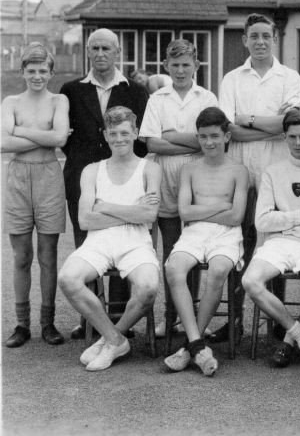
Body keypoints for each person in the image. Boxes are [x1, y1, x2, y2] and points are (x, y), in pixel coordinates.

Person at [216, 13, 300, 342]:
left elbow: (293, 123)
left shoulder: (289, 77)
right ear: (245, 40)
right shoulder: (231, 79)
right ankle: (236, 320)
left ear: (274, 38)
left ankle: (276, 324)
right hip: (241, 176)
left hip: (278, 179)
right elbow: (228, 130)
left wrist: (248, 120)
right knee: (241, 245)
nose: (260, 42)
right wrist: (272, 127)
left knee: (276, 247)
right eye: (254, 36)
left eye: (266, 36)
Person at [60, 29, 149, 339]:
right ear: (88, 51)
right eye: (94, 48)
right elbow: (66, 139)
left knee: (123, 242)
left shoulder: (136, 91)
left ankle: (120, 316)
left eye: (106, 48)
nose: (100, 53)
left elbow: (141, 139)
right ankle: (90, 319)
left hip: (123, 181)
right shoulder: (71, 90)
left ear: (117, 51)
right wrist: (86, 165)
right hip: (83, 179)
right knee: (88, 247)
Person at [57, 106, 162, 371]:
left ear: (135, 132)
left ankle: (109, 338)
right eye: (113, 133)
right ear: (105, 134)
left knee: (148, 287)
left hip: (136, 241)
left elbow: (149, 216)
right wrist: (132, 212)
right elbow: (85, 220)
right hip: (98, 240)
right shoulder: (92, 170)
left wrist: (105, 206)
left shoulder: (150, 168)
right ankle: (115, 339)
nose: (119, 139)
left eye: (125, 132)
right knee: (68, 278)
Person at [241, 109, 300, 371]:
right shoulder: (272, 172)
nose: (298, 143)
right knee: (250, 280)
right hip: (277, 245)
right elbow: (261, 221)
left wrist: (284, 224)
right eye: (292, 137)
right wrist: (299, 216)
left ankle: (287, 340)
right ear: (285, 137)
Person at [138, 39, 220, 337]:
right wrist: (189, 140)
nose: (181, 70)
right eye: (175, 65)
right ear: (166, 67)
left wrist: (172, 135)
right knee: (172, 249)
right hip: (166, 177)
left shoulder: (207, 97)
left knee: (195, 247)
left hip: (200, 175)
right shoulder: (158, 98)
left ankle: (194, 319)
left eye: (186, 64)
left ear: (196, 65)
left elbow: (210, 139)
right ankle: (170, 316)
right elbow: (152, 143)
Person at [161, 107, 248, 376]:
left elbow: (236, 217)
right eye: (202, 137)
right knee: (173, 269)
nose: (208, 142)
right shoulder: (189, 169)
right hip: (194, 233)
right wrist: (220, 206)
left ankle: (190, 345)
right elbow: (185, 212)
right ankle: (198, 344)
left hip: (226, 236)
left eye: (214, 136)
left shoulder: (239, 171)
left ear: (226, 136)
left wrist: (219, 210)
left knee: (219, 270)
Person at [1, 43, 69, 347]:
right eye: (32, 70)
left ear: (51, 72)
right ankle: (21, 324)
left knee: (47, 254)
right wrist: (42, 137)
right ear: (22, 71)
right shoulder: (10, 101)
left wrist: (20, 132)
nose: (37, 76)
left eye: (43, 71)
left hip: (48, 177)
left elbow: (58, 139)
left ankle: (48, 322)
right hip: (17, 178)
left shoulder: (59, 100)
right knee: (21, 256)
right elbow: (2, 144)